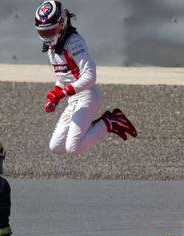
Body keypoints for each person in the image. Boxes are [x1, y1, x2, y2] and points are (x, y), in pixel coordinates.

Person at [34, 0, 137, 155]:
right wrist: (55, 96)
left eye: (51, 31)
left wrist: (63, 93)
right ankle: (96, 125)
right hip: (73, 99)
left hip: (88, 96)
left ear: (62, 23)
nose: (47, 36)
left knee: (73, 148)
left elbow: (90, 76)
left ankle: (110, 121)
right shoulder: (51, 49)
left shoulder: (74, 42)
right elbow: (63, 78)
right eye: (43, 32)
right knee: (55, 147)